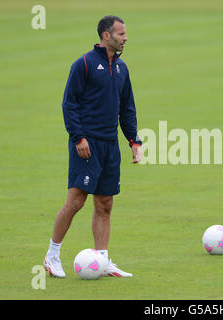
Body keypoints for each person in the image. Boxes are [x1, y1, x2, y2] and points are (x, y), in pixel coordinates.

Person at [43, 15, 142, 277]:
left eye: (125, 33)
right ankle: (52, 256)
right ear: (106, 36)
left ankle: (102, 260)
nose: (125, 38)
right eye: (120, 34)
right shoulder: (84, 64)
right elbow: (69, 104)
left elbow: (127, 109)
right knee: (76, 200)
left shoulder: (122, 69)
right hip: (86, 145)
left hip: (110, 145)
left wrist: (134, 140)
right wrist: (78, 138)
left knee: (105, 203)